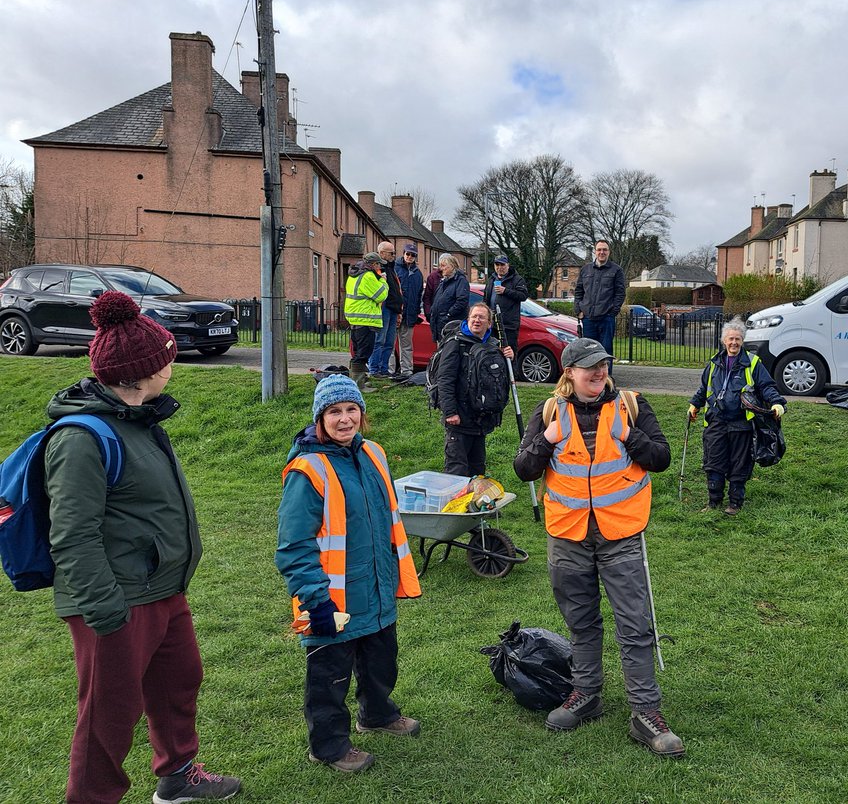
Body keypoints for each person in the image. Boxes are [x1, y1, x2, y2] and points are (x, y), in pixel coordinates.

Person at [43, 290, 240, 804]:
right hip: (117, 599)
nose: (172, 362)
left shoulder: (139, 419)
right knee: (108, 715)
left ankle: (178, 776)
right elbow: (72, 534)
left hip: (162, 587)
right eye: (166, 356)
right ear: (143, 371)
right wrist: (105, 609)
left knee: (179, 681)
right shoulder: (81, 439)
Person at [512, 337, 682, 758]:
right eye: (589, 366)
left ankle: (646, 712)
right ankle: (586, 694)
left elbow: (660, 457)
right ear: (569, 372)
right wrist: (547, 439)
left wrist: (630, 437)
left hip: (620, 533)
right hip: (567, 535)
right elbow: (524, 469)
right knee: (581, 621)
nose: (599, 371)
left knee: (634, 623)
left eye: (603, 364)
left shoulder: (631, 405)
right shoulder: (550, 412)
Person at [276, 375, 423, 774]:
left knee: (381, 661)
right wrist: (316, 600)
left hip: (376, 587)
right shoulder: (308, 470)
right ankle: (328, 746)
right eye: (334, 411)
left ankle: (377, 714)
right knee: (329, 677)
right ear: (320, 419)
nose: (345, 419)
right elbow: (293, 544)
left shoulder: (374, 453)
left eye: (351, 409)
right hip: (332, 599)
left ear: (362, 412)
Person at [687, 319, 785, 514]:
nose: (734, 343)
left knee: (739, 464)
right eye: (730, 339)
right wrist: (694, 404)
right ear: (724, 340)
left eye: (738, 339)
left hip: (741, 424)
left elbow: (766, 386)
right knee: (713, 462)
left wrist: (777, 402)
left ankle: (735, 503)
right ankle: (714, 502)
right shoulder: (714, 363)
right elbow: (704, 388)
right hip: (716, 421)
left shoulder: (753, 363)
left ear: (742, 341)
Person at [437, 302, 514, 477]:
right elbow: (445, 379)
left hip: (481, 420)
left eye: (481, 317)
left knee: (478, 471)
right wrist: (450, 412)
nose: (476, 320)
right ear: (468, 319)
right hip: (459, 420)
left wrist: (509, 359)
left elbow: (502, 380)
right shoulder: (455, 343)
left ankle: (474, 496)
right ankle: (455, 496)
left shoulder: (494, 345)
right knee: (457, 472)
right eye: (473, 317)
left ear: (489, 323)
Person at [573, 240, 626, 357]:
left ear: (609, 252)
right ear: (595, 252)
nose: (602, 252)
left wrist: (612, 312)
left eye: (605, 250)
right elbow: (578, 291)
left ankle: (606, 371)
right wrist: (578, 310)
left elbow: (620, 293)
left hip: (606, 319)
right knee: (589, 353)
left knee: (605, 352)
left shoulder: (616, 270)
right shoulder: (585, 269)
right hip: (588, 319)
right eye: (599, 249)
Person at [344, 252, 388, 388]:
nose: (380, 267)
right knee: (363, 353)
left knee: (358, 352)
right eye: (379, 265)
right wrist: (383, 281)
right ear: (373, 264)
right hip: (365, 319)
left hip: (355, 318)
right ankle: (359, 385)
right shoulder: (368, 276)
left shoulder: (354, 275)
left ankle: (357, 380)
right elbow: (381, 296)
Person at [367, 242, 403, 381]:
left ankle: (383, 369)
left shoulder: (391, 268)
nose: (394, 255)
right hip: (383, 308)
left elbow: (396, 289)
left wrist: (399, 310)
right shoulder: (377, 269)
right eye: (391, 253)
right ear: (382, 253)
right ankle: (374, 369)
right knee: (379, 340)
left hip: (393, 308)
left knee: (389, 342)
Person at [483, 253, 528, 350]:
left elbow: (523, 296)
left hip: (508, 325)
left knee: (508, 352)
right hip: (492, 325)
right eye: (497, 265)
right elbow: (486, 299)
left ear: (508, 265)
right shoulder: (491, 279)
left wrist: (505, 291)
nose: (500, 267)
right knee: (492, 351)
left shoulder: (517, 279)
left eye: (502, 265)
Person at [395, 243, 424, 380]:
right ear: (403, 253)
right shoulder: (395, 268)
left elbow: (419, 295)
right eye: (408, 254)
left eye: (413, 255)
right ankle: (388, 370)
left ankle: (406, 371)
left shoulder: (418, 274)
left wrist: (416, 312)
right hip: (395, 312)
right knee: (389, 344)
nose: (410, 257)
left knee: (406, 345)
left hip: (410, 315)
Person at [428, 253, 469, 341]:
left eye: (443, 266)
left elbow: (462, 301)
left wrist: (448, 314)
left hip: (450, 326)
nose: (441, 268)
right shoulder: (443, 281)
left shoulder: (461, 281)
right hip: (440, 325)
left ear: (452, 266)